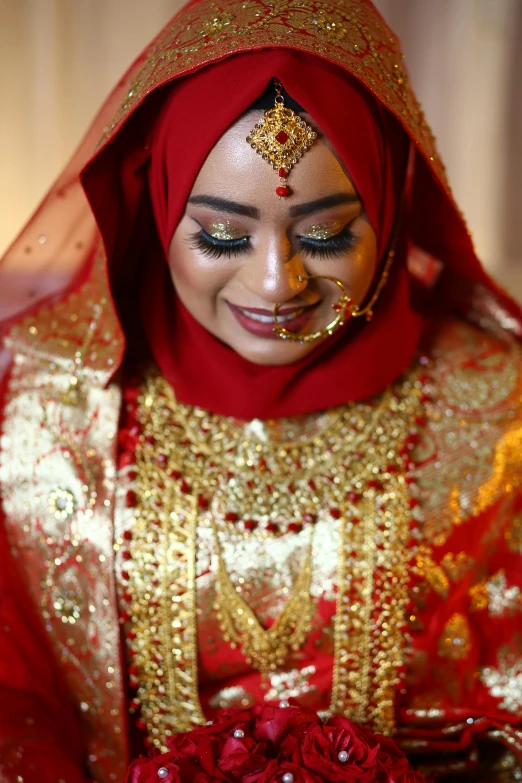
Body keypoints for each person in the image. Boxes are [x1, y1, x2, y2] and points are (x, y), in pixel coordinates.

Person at [0, 0, 521, 780]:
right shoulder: (56, 410)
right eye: (221, 235)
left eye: (324, 234)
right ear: (158, 202)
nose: (278, 283)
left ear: (387, 204)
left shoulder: (496, 409)